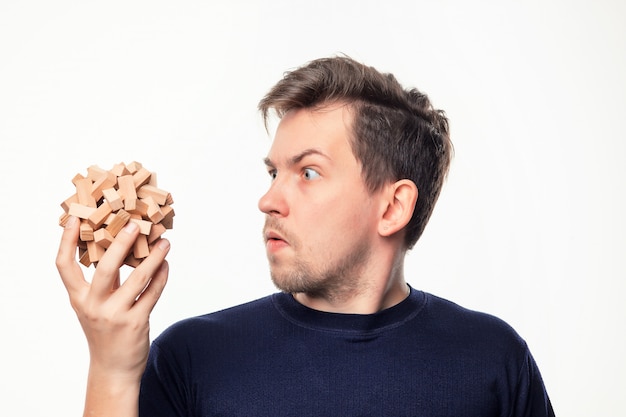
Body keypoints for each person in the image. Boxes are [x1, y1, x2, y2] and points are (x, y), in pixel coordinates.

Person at [56, 56, 555, 416]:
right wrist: (112, 370)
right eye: (274, 172)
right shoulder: (191, 358)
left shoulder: (492, 359)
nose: (269, 199)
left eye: (308, 173)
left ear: (393, 206)